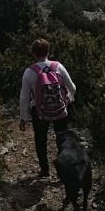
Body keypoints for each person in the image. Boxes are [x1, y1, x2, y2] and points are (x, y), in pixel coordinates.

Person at [19, 38, 76, 177]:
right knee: (62, 140)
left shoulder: (29, 72)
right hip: (60, 109)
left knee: (40, 140)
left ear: (33, 53)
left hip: (39, 112)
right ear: (48, 51)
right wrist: (68, 98)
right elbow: (72, 87)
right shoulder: (58, 67)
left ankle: (45, 170)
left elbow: (24, 98)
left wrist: (23, 118)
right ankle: (63, 170)